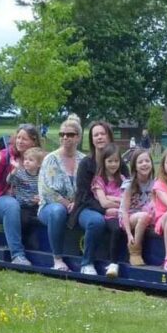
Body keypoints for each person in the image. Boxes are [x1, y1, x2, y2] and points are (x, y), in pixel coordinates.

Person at [39, 116, 105, 274]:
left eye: (69, 134)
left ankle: (88, 263)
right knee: (57, 212)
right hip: (51, 206)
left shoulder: (85, 160)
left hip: (78, 206)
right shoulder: (50, 159)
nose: (65, 138)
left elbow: (90, 187)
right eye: (62, 134)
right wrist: (65, 203)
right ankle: (57, 259)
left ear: (78, 137)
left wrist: (76, 203)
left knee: (96, 220)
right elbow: (46, 190)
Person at [0, 124, 42, 266]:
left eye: (25, 139)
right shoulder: (6, 155)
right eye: (18, 138)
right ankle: (17, 255)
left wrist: (43, 196)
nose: (20, 141)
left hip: (29, 203)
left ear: (34, 142)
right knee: (12, 205)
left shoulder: (40, 158)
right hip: (1, 199)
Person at [69, 120, 114, 272]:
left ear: (109, 137)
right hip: (86, 208)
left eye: (103, 134)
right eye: (96, 135)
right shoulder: (86, 164)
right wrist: (104, 210)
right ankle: (86, 263)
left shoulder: (118, 163)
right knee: (96, 222)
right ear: (92, 140)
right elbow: (83, 196)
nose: (100, 137)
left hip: (114, 206)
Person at [91, 143, 126, 277]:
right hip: (110, 217)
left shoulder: (122, 179)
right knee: (116, 229)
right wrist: (119, 202)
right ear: (103, 161)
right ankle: (113, 264)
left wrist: (111, 198)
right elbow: (104, 203)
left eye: (116, 161)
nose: (113, 164)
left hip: (123, 214)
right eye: (110, 161)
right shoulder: (98, 180)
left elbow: (127, 200)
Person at [120, 148, 155, 266]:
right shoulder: (129, 185)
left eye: (147, 161)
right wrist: (129, 234)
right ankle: (135, 251)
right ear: (134, 166)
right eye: (140, 162)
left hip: (147, 215)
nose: (144, 164)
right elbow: (124, 210)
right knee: (144, 216)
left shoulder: (155, 183)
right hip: (128, 217)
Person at [7, 146, 44, 241]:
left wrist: (41, 197)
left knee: (42, 218)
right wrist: (14, 170)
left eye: (31, 160)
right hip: (23, 206)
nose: (26, 161)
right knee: (24, 220)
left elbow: (45, 189)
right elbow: (9, 181)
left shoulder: (42, 176)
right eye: (25, 159)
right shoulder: (20, 174)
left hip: (36, 206)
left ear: (39, 164)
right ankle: (23, 240)